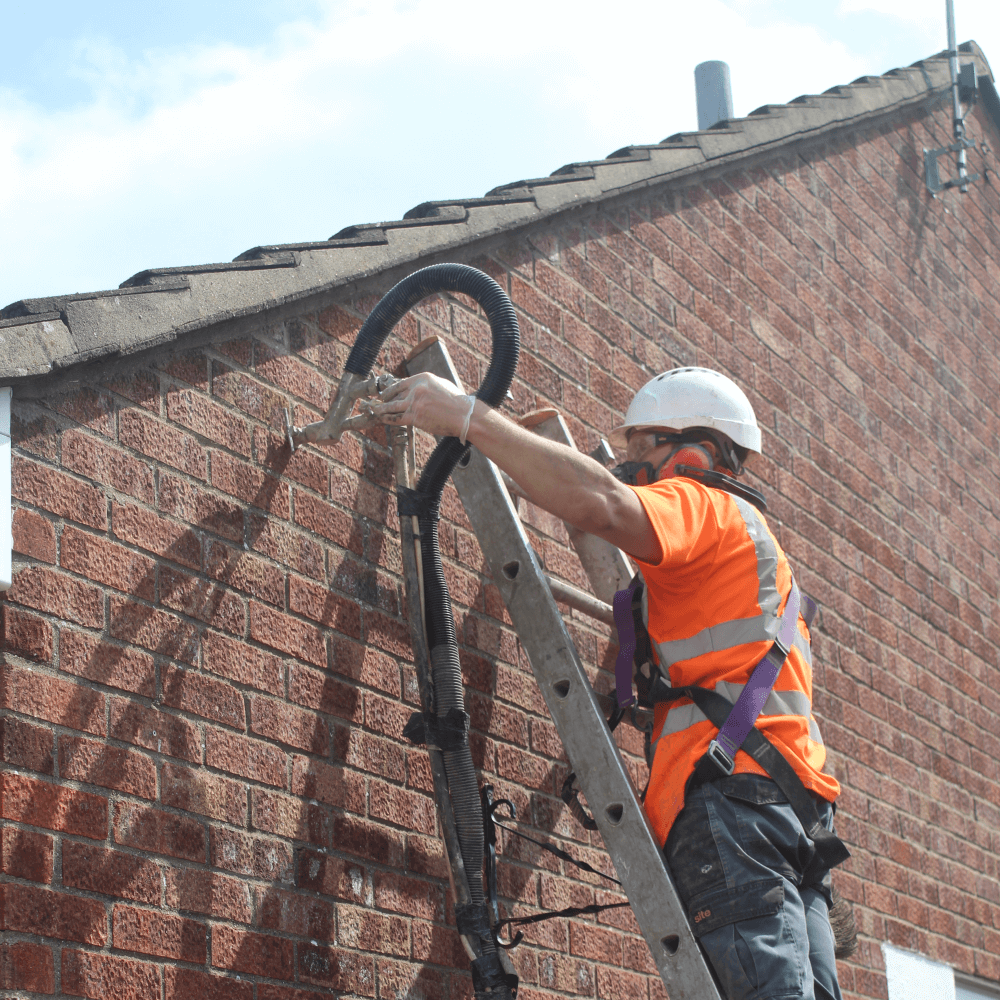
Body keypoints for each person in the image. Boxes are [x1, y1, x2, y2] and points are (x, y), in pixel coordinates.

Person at [372, 366, 845, 1000]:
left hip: (733, 805)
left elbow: (602, 504)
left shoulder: (700, 504)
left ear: (691, 453)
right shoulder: (755, 549)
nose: (629, 469)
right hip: (794, 813)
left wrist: (470, 419)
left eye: (638, 452)